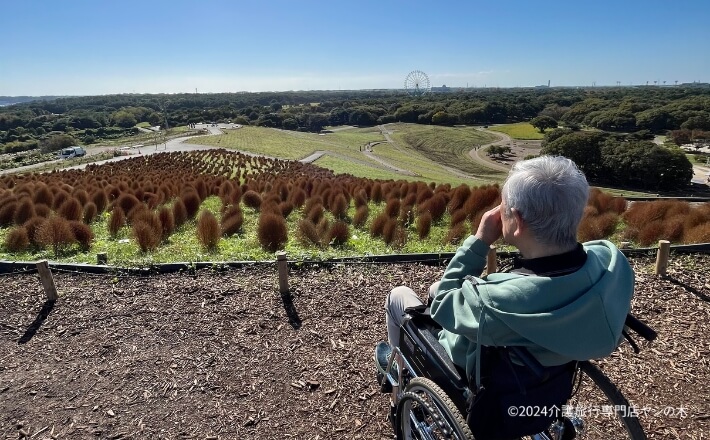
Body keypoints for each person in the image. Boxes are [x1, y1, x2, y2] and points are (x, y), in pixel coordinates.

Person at [382, 155, 634, 384]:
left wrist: (479, 241)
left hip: (471, 370)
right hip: (549, 366)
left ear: (518, 221)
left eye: (503, 208)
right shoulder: (612, 262)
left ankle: (399, 371)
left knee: (399, 295)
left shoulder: (494, 302)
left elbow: (443, 306)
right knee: (436, 288)